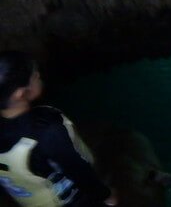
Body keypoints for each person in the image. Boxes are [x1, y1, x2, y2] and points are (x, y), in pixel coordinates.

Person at [0, 50, 118, 206]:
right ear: (21, 94)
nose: (40, 78)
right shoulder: (47, 131)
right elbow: (77, 171)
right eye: (36, 77)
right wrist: (106, 196)